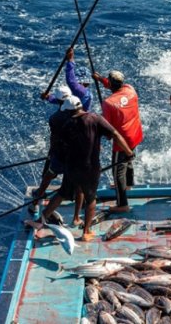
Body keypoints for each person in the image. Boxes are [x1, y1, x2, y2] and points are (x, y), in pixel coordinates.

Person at [40, 96, 133, 241]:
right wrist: (128, 152)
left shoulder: (67, 124)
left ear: (69, 111)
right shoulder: (95, 118)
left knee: (62, 193)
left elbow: (59, 146)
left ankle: (41, 220)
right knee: (90, 199)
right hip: (90, 168)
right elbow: (114, 134)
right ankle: (86, 232)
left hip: (71, 167)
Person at [92, 69, 144, 213]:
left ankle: (122, 204)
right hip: (135, 134)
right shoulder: (130, 90)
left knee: (117, 172)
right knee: (129, 159)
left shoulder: (108, 103)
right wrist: (100, 79)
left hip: (122, 141)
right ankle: (128, 184)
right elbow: (113, 85)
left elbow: (107, 128)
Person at [30, 85, 83, 223]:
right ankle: (76, 218)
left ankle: (35, 201)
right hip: (77, 157)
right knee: (79, 187)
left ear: (58, 101)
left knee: (48, 176)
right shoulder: (81, 113)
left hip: (60, 155)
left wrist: (51, 153)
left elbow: (54, 139)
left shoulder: (55, 118)